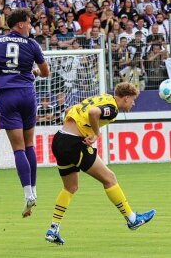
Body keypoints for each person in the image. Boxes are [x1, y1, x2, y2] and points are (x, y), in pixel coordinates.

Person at [44, 82, 156, 245]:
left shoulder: (102, 97)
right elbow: (94, 112)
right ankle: (132, 219)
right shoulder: (113, 108)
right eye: (133, 100)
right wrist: (96, 133)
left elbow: (70, 110)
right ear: (125, 98)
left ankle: (53, 229)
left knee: (70, 187)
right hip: (74, 143)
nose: (133, 103)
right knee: (109, 178)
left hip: (59, 138)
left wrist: (80, 129)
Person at [0, 8, 50, 218]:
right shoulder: (32, 44)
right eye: (28, 23)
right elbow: (46, 72)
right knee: (29, 145)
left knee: (18, 148)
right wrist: (34, 71)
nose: (31, 26)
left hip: (8, 96)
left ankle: (28, 193)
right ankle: (34, 190)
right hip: (28, 95)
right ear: (20, 24)